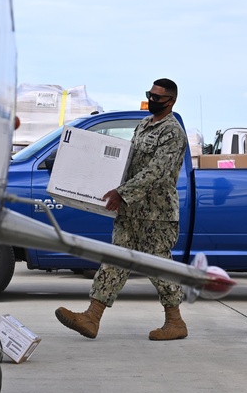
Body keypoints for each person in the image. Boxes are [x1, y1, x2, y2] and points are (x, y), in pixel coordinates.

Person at [55, 78, 189, 341]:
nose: (152, 99)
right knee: (115, 260)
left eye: (158, 97)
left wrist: (122, 193)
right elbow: (127, 161)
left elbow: (157, 173)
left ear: (171, 101)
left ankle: (175, 322)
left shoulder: (172, 132)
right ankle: (92, 317)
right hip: (130, 212)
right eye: (149, 94)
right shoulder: (144, 125)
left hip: (156, 215)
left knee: (158, 266)